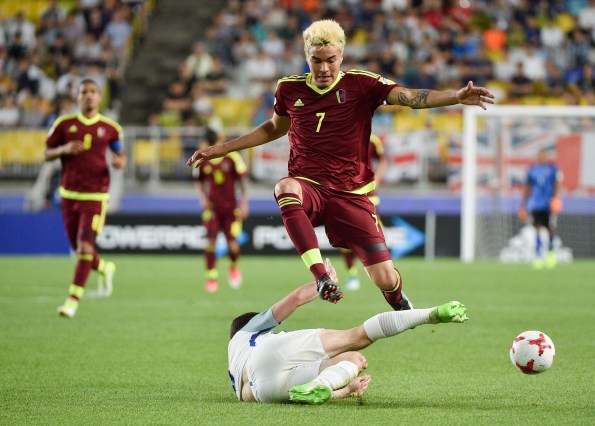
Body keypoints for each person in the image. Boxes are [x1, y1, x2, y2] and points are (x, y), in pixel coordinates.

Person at [189, 19, 494, 310]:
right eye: (316, 60)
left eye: (331, 60)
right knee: (285, 187)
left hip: (353, 194)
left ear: (342, 55)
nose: (324, 68)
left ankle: (398, 299)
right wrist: (223, 149)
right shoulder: (288, 89)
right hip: (311, 186)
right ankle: (322, 276)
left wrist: (455, 96)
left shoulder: (364, 84)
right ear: (306, 56)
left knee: (385, 278)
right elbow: (274, 128)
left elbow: (411, 96)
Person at [228, 258, 468, 404]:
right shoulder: (246, 331)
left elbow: (296, 395)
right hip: (267, 357)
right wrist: (324, 281)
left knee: (354, 359)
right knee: (356, 337)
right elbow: (296, 299)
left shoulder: (237, 378)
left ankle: (326, 381)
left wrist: (345, 390)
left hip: (262, 394)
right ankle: (431, 314)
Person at [44, 78, 126, 318]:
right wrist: (63, 150)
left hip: (96, 196)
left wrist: (119, 161)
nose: (89, 95)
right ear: (77, 98)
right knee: (79, 248)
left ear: (99, 97)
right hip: (69, 194)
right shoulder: (63, 124)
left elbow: (120, 156)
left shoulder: (111, 129)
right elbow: (46, 153)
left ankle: (72, 300)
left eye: (93, 92)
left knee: (84, 246)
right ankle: (104, 267)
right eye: (84, 92)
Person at [195, 127, 249, 292]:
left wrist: (245, 203)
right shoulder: (204, 158)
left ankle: (233, 267)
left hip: (231, 209)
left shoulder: (232, 157)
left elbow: (243, 181)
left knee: (232, 244)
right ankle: (211, 279)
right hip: (212, 209)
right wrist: (203, 198)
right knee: (210, 242)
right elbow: (199, 181)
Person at [341, 133, 387, 291]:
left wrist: (378, 180)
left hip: (368, 195)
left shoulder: (373, 139)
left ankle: (385, 274)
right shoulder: (339, 136)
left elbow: (382, 160)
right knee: (345, 237)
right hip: (345, 194)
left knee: (376, 234)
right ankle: (352, 275)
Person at [519, 148, 563, 269]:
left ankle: (550, 254)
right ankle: (538, 256)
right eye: (540, 155)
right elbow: (527, 187)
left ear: (547, 156)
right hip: (536, 203)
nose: (542, 157)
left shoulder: (554, 169)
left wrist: (556, 199)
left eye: (544, 155)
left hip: (549, 203)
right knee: (537, 228)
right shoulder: (532, 170)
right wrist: (523, 204)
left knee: (550, 229)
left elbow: (557, 184)